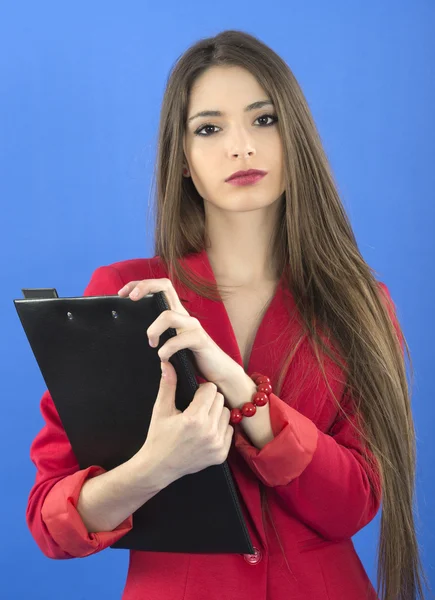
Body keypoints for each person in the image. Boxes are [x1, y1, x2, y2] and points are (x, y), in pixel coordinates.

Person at [26, 29, 428, 600]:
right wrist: (156, 466)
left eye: (264, 120)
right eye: (209, 128)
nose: (240, 146)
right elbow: (51, 521)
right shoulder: (125, 294)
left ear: (297, 139)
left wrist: (243, 392)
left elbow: (354, 504)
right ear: (183, 160)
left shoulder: (361, 301)